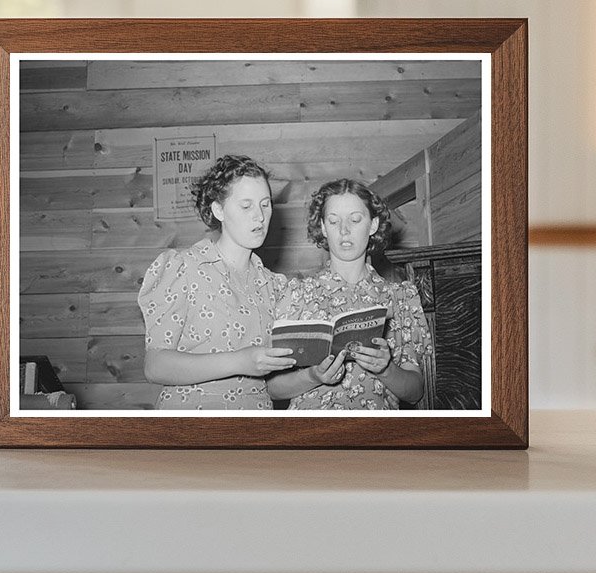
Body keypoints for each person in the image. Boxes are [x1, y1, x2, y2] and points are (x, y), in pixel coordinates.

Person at [139, 154, 296, 410]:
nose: (259, 216)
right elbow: (155, 366)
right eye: (246, 206)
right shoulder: (184, 268)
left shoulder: (275, 287)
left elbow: (274, 385)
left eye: (265, 204)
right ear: (218, 210)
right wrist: (239, 362)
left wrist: (315, 375)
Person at [267, 178, 431, 411]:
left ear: (373, 225)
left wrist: (386, 370)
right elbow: (272, 388)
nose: (344, 230)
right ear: (324, 228)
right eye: (334, 221)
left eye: (355, 220)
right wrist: (313, 376)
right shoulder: (296, 294)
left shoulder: (401, 297)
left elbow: (415, 392)